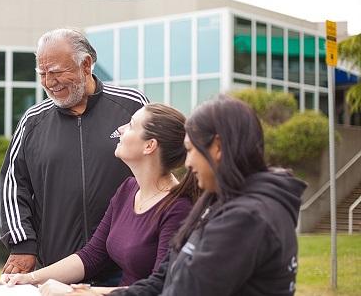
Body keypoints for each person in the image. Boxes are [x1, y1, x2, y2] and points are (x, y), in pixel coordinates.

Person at [101, 96, 307, 296]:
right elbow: (164, 280)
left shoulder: (245, 219)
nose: (188, 163)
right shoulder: (218, 202)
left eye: (191, 150)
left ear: (217, 147)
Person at [0, 28, 148, 284]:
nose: (49, 82)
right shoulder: (32, 121)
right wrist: (22, 243)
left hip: (124, 267)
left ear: (86, 64)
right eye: (42, 74)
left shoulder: (133, 106)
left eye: (56, 72)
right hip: (57, 269)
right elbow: (13, 184)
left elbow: (159, 169)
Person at [0, 103, 198, 288]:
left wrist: (81, 292)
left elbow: (160, 287)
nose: (120, 129)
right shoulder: (128, 190)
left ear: (149, 146)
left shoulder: (178, 208)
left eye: (131, 125)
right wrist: (28, 279)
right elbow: (92, 256)